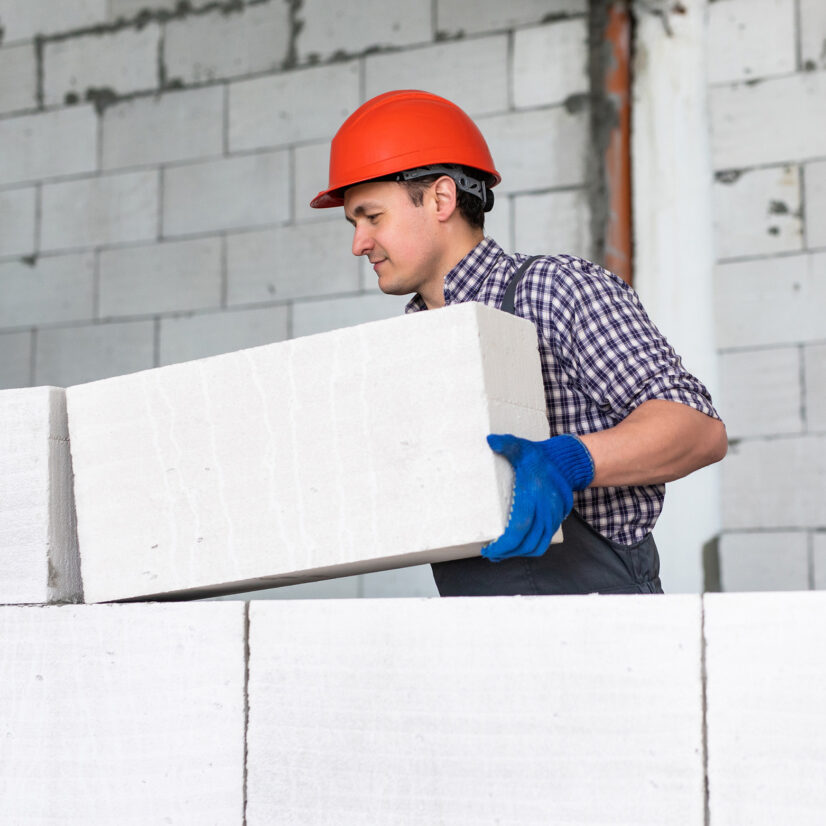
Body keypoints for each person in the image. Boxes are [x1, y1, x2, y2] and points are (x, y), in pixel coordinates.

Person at [310, 89, 728, 597]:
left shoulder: (554, 289)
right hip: (481, 642)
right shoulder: (412, 346)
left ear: (441, 199)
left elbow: (699, 429)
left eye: (372, 217)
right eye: (354, 224)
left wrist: (570, 461)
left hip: (605, 629)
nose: (359, 243)